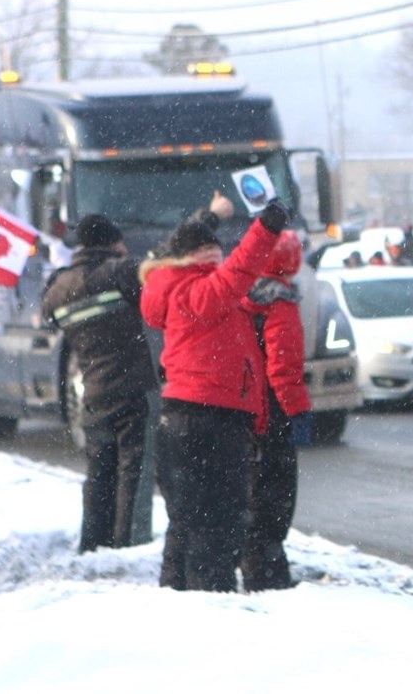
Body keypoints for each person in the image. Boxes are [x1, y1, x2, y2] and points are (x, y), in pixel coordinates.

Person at [140, 195, 289, 592]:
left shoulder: (170, 286)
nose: (220, 257)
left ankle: (175, 594)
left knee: (186, 520)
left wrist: (208, 219)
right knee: (219, 521)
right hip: (213, 417)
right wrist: (267, 228)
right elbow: (240, 269)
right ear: (202, 256)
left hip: (181, 416)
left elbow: (184, 248)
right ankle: (212, 603)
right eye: (213, 250)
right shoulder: (200, 291)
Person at [40, 214, 158, 552]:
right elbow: (159, 265)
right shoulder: (119, 272)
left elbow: (49, 315)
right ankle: (127, 544)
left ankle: (93, 543)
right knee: (133, 469)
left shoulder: (58, 288)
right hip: (133, 387)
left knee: (99, 470)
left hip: (93, 390)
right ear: (112, 243)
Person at [241, 230, 313, 591]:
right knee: (276, 493)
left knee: (249, 487)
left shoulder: (240, 294)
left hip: (241, 405)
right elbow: (284, 367)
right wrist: (297, 410)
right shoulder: (279, 302)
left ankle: (252, 560)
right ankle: (267, 571)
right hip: (272, 410)